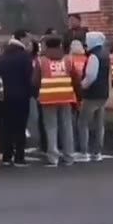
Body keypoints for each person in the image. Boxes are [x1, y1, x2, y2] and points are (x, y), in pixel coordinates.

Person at [35, 35, 78, 166]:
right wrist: (78, 96)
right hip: (66, 97)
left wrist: (36, 93)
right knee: (67, 127)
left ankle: (53, 157)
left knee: (51, 127)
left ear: (46, 46)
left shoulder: (41, 61)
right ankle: (69, 156)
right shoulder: (68, 60)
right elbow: (75, 78)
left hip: (48, 98)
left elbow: (35, 80)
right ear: (60, 45)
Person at [0, 31, 34, 167]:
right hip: (21, 95)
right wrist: (31, 92)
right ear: (22, 38)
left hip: (6, 95)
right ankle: (19, 157)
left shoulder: (4, 55)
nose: (29, 42)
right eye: (27, 39)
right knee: (20, 127)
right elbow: (29, 76)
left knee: (7, 126)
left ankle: (7, 156)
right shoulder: (24, 56)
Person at [76, 30, 109, 162]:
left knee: (83, 123)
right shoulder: (105, 55)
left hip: (91, 94)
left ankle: (84, 151)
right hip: (103, 93)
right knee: (99, 124)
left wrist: (82, 86)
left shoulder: (93, 56)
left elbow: (90, 76)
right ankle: (97, 152)